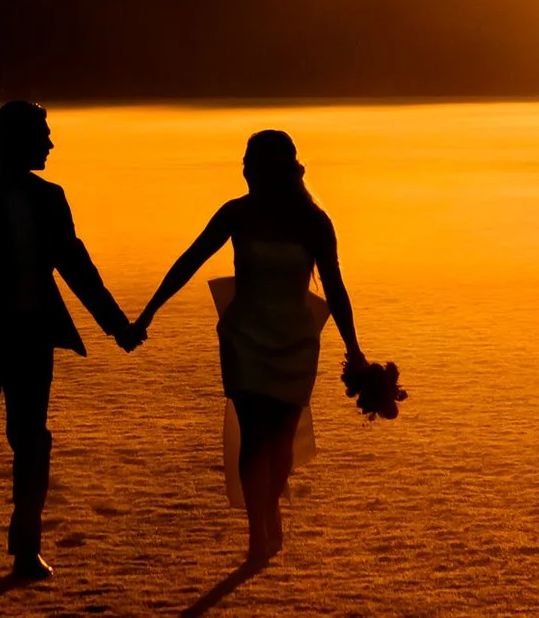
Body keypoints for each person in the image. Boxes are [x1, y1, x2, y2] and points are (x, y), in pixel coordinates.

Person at [0, 100, 137, 580]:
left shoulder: (49, 196)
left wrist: (117, 325)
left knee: (32, 441)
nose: (50, 143)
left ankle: (25, 546)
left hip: (30, 340)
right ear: (14, 139)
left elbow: (75, 265)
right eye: (43, 134)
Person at [128, 129, 365, 564]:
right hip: (244, 340)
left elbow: (335, 287)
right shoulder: (236, 213)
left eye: (252, 163)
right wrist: (148, 313)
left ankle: (269, 506)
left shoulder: (313, 221)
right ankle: (258, 532)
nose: (246, 170)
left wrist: (355, 349)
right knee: (255, 438)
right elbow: (189, 261)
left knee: (280, 443)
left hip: (295, 341)